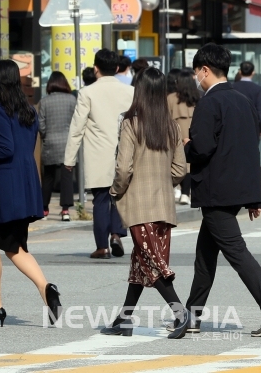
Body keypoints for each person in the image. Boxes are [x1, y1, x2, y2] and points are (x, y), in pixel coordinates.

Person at [181, 43, 261, 337]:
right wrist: (254, 196)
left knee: (236, 252)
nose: (196, 78)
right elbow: (249, 152)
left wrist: (187, 147)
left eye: (197, 72)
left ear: (204, 70)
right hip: (237, 189)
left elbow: (202, 148)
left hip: (216, 191)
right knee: (205, 255)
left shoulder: (209, 103)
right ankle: (191, 316)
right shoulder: (244, 101)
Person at [101, 68, 191, 338]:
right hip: (163, 206)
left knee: (152, 264)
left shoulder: (132, 123)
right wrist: (163, 185)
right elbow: (179, 170)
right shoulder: (171, 125)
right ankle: (124, 319)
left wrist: (115, 191)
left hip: (139, 206)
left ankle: (180, 313)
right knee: (142, 263)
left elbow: (123, 169)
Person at [0, 59, 60, 328]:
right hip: (26, 184)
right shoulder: (28, 110)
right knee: (16, 246)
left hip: (3, 186)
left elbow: (4, 148)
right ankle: (45, 288)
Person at [66, 49, 134, 258]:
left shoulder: (87, 93)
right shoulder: (130, 91)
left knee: (101, 200)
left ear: (96, 68)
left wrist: (69, 158)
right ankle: (117, 234)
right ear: (116, 68)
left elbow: (77, 127)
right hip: (125, 151)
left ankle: (102, 247)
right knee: (120, 196)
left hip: (98, 153)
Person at [38, 71, 77, 221]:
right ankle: (65, 210)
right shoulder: (72, 99)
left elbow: (41, 123)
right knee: (67, 176)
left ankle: (44, 209)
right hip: (67, 143)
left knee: (48, 176)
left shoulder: (45, 101)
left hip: (50, 142)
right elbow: (76, 121)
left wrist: (45, 134)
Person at [169, 68, 200, 205]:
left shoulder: (171, 98)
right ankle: (186, 193)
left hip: (176, 134)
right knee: (190, 165)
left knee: (177, 164)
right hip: (194, 135)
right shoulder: (198, 98)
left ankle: (179, 190)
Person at [230, 61, 261, 144]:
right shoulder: (257, 89)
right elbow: (260, 109)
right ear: (253, 73)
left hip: (234, 124)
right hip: (253, 126)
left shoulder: (232, 87)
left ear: (240, 72)